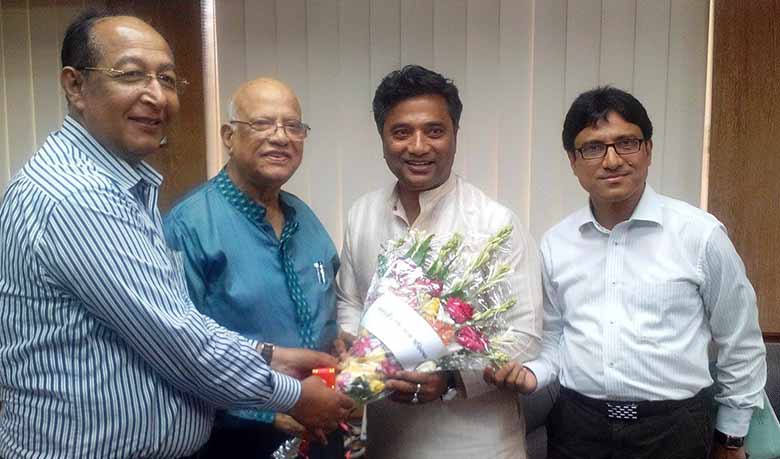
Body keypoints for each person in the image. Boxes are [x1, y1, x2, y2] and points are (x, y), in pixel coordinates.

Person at [0, 10, 353, 459]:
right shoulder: (80, 195)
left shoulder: (120, 187)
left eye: (167, 79)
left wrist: (269, 356)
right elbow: (181, 342)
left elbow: (175, 324)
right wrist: (293, 396)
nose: (156, 95)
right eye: (131, 74)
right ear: (75, 85)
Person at [515, 86, 767, 459]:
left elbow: (740, 340)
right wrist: (530, 372)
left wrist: (731, 437)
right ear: (573, 160)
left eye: (626, 143)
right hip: (578, 427)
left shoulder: (700, 235)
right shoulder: (556, 243)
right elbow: (555, 339)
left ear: (648, 149)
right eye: (593, 147)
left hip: (673, 430)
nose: (612, 160)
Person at [335, 64, 543, 459]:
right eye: (401, 132)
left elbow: (526, 334)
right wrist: (352, 345)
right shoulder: (362, 214)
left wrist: (451, 379)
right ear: (382, 137)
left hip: (477, 443)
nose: (418, 147)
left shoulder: (494, 224)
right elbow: (350, 300)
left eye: (434, 131)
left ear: (455, 135)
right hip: (388, 438)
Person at [164, 78, 342, 458]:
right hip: (238, 439)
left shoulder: (306, 219)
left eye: (293, 126)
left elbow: (326, 313)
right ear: (228, 136)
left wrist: (340, 343)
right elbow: (174, 349)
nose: (280, 137)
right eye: (262, 123)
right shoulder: (188, 226)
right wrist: (269, 411)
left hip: (320, 432)